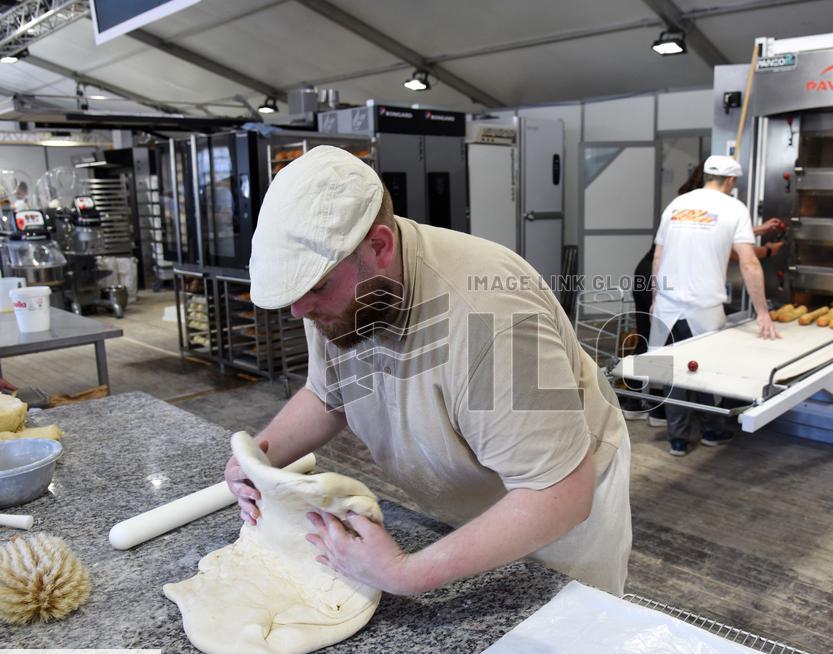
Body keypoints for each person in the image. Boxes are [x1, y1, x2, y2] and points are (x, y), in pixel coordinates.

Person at [225, 146, 632, 596]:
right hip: (473, 497)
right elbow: (330, 394)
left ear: (380, 246)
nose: (299, 310)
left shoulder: (493, 321)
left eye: (316, 287)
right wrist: (259, 461)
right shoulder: (336, 295)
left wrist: (405, 573)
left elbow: (559, 493)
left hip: (555, 503)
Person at [618, 160, 783, 424]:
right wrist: (762, 313)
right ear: (730, 181)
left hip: (664, 294)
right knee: (707, 370)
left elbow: (661, 256)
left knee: (665, 362)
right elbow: (747, 261)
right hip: (700, 302)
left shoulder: (676, 205)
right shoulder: (734, 207)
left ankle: (669, 427)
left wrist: (656, 298)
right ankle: (705, 427)